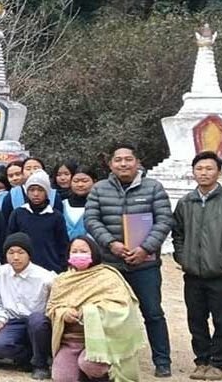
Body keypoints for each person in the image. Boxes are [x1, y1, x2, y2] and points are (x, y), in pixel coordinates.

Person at [84, 143, 174, 378]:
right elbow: (91, 220)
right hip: (111, 264)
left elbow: (164, 220)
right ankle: (111, 360)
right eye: (118, 160)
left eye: (128, 159)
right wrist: (111, 243)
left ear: (137, 162)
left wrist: (146, 248)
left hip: (145, 263)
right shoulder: (99, 189)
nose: (123, 164)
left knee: (153, 312)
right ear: (110, 164)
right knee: (111, 314)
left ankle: (162, 360)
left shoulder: (153, 188)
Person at [172, 151, 222, 380]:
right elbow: (178, 233)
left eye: (209, 168)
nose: (204, 173)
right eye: (199, 169)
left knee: (221, 320)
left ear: (219, 172)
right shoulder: (186, 202)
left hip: (221, 273)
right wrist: (183, 257)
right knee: (195, 319)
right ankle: (201, 360)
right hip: (193, 272)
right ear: (193, 172)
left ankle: (218, 363)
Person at [47, 236, 145, 382]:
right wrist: (63, 313)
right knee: (62, 377)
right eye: (74, 251)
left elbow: (121, 307)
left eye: (83, 251)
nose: (79, 254)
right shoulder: (62, 280)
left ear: (93, 253)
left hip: (104, 339)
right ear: (68, 255)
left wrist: (89, 311)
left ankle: (106, 377)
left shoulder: (107, 276)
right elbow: (51, 308)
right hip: (72, 340)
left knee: (91, 365)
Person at [0, 232, 55, 380]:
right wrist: (1, 320)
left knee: (36, 320)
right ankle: (28, 358)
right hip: (14, 321)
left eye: (21, 252)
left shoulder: (45, 277)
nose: (16, 257)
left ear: (29, 254)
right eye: (11, 252)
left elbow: (54, 304)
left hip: (39, 323)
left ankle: (41, 365)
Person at [6, 170, 69, 273]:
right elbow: (9, 242)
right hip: (23, 269)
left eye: (40, 190)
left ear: (47, 192)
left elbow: (63, 245)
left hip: (50, 269)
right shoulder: (18, 214)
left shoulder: (56, 216)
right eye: (32, 190)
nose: (36, 194)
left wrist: (62, 267)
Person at [0, 157, 63, 223]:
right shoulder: (12, 195)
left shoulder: (53, 195)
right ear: (22, 173)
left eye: (36, 168)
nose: (32, 171)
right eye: (28, 169)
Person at [62, 167, 97, 240]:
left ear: (94, 182)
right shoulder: (62, 205)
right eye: (76, 181)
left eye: (85, 181)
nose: (80, 184)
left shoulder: (99, 204)